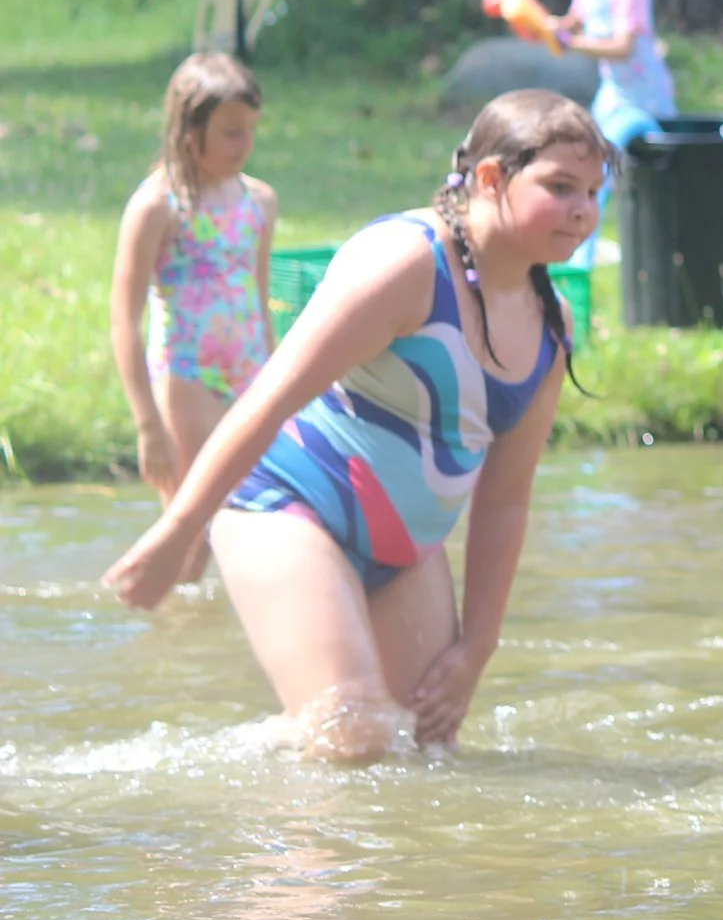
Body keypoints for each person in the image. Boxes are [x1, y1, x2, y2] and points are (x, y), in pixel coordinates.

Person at [104, 91, 609, 761]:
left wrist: (475, 649)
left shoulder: (553, 324)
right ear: (490, 178)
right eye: (560, 186)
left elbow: (506, 499)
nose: (582, 210)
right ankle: (283, 857)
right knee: (357, 736)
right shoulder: (404, 264)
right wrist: (176, 532)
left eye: (594, 192)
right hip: (285, 505)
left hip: (404, 546)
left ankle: (268, 752)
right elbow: (267, 398)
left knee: (428, 748)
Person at [110, 53, 278, 580]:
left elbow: (259, 295)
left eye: (250, 130)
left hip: (248, 372)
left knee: (251, 519)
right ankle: (165, 627)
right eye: (231, 133)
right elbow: (125, 321)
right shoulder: (157, 206)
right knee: (190, 531)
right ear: (189, 133)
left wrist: (276, 385)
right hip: (187, 376)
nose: (244, 145)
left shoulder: (259, 201)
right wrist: (148, 425)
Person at [550, 0, 674, 261]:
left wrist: (571, 43)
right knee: (588, 164)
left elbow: (622, 47)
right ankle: (579, 245)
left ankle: (586, 255)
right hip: (613, 93)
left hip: (644, 99)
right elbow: (572, 21)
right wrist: (543, 25)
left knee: (631, 176)